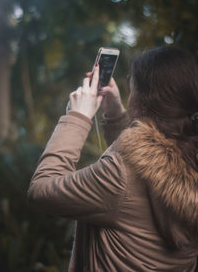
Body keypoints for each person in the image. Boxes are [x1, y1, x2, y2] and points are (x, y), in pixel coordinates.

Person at [27, 46, 198, 272]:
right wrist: (117, 114)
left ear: (142, 100)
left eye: (132, 86)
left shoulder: (121, 174)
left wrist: (77, 117)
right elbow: (143, 179)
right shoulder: (189, 155)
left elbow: (41, 189)